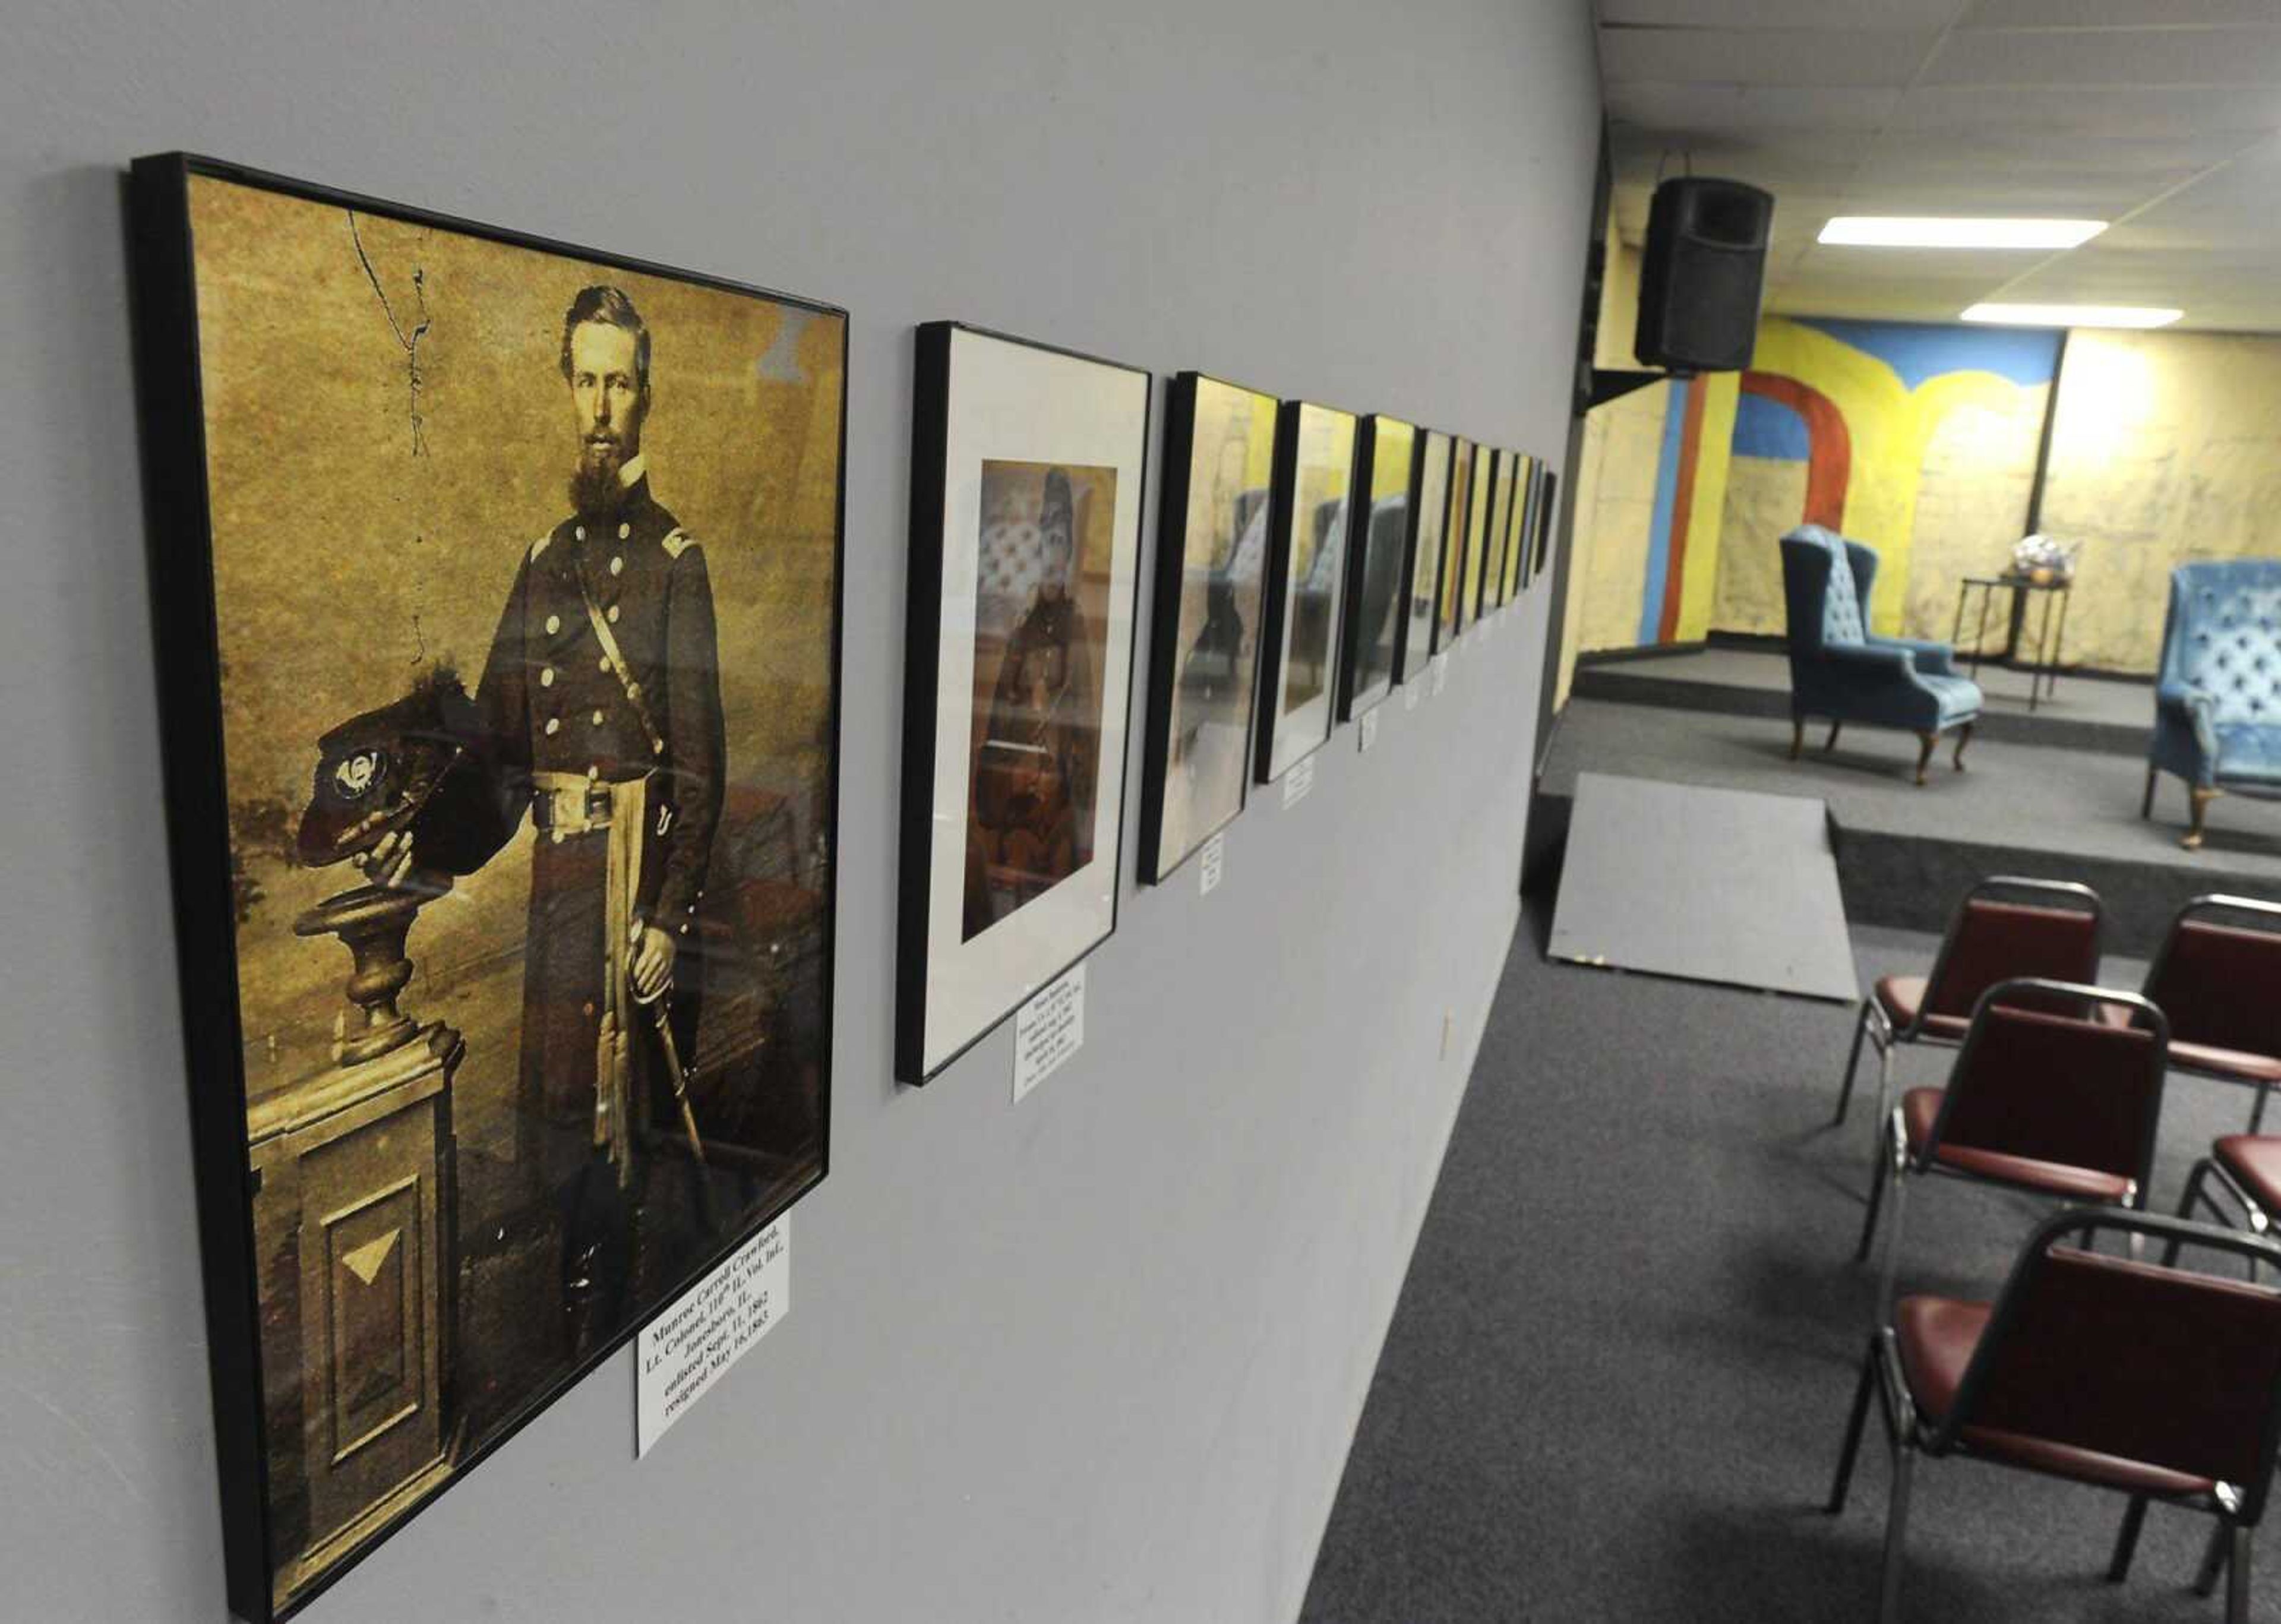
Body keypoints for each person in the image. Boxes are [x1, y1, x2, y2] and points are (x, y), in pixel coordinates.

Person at [369, 284, 726, 1357]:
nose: (603, 404)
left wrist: (669, 918)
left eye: (621, 380)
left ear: (647, 395)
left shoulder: (676, 563)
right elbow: (497, 760)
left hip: (634, 889)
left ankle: (628, 1323)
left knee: (632, 1139)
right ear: (568, 388)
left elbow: (703, 770)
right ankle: (582, 1337)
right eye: (587, 379)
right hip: (565, 882)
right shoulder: (540, 563)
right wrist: (419, 847)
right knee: (565, 1127)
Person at [964, 469, 1095, 938]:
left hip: (1051, 774)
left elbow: (1083, 714)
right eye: (1046, 543)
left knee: (1046, 853)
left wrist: (1073, 780)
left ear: (1070, 550)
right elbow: (1003, 708)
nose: (1052, 555)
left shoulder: (1074, 624)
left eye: (1061, 543)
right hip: (1015, 766)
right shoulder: (1023, 627)